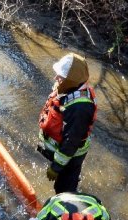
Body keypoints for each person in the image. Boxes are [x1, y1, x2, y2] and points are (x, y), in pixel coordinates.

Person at [37, 53, 97, 194]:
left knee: (64, 189)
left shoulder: (80, 108)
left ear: (71, 80)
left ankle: (68, 204)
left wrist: (56, 167)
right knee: (67, 181)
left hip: (71, 157)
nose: (56, 79)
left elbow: (71, 141)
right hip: (64, 152)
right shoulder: (69, 88)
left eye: (61, 77)